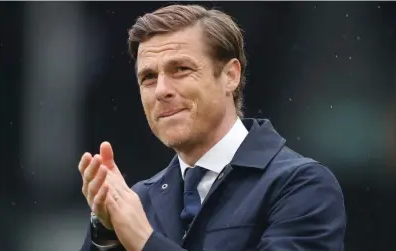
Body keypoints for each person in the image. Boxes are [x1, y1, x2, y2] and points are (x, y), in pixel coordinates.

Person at [79, 4, 346, 251]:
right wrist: (106, 231)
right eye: (148, 77)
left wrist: (144, 241)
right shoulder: (139, 200)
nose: (161, 90)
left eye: (181, 69)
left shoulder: (302, 186)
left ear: (231, 75)